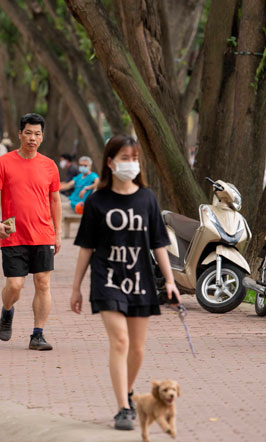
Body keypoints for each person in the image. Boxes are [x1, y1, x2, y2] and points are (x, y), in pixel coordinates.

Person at [69, 135, 181, 431]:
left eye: (134, 159)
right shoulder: (96, 201)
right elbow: (86, 247)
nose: (130, 164)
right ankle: (122, 409)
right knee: (120, 340)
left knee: (138, 348)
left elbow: (159, 242)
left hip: (140, 279)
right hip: (106, 278)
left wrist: (170, 281)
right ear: (109, 162)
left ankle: (128, 392)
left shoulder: (147, 198)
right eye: (124, 158)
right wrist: (76, 287)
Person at [0, 113, 61, 351]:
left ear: (42, 136)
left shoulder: (49, 165)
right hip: (13, 233)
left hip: (43, 233)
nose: (33, 138)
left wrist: (57, 234)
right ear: (20, 134)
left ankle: (37, 335)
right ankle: (7, 311)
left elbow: (55, 201)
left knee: (43, 283)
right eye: (28, 133)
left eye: (37, 134)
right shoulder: (4, 162)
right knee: (15, 285)